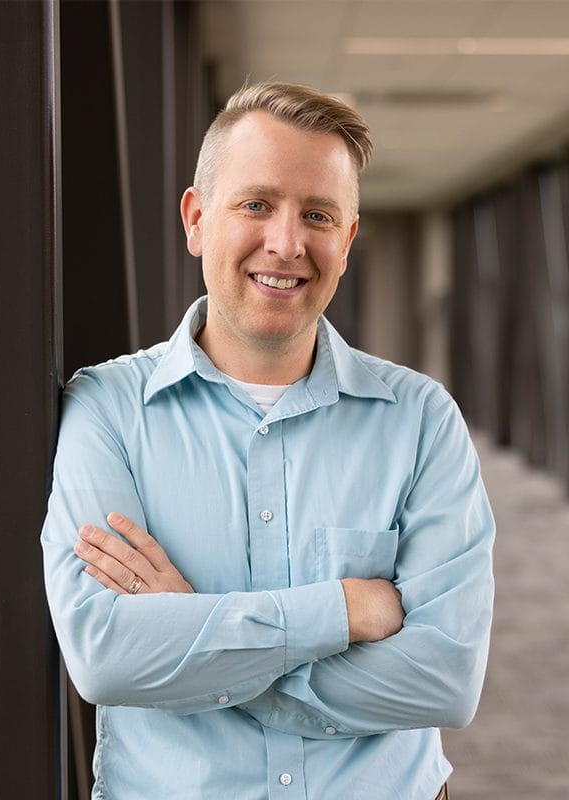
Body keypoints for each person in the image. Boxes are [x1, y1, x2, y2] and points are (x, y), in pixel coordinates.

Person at [42, 82, 494, 800]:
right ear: (196, 218)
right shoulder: (108, 409)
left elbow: (444, 679)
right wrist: (344, 610)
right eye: (256, 204)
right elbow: (106, 659)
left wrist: (199, 646)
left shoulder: (420, 420)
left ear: (346, 241)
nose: (287, 243)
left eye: (317, 214)